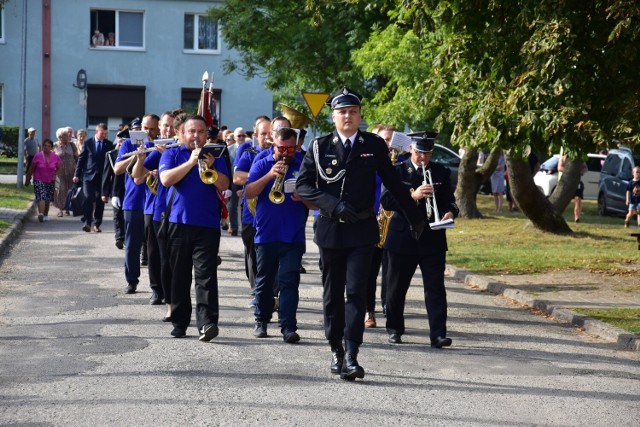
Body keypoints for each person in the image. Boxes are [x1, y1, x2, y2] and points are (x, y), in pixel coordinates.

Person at [296, 87, 424, 381]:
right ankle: (335, 348)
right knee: (332, 295)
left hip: (363, 231)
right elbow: (303, 185)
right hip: (330, 230)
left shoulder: (374, 145)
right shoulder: (319, 146)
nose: (348, 116)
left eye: (353, 111)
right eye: (342, 112)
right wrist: (333, 205)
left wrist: (415, 218)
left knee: (355, 292)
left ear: (360, 116)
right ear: (333, 116)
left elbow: (393, 183)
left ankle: (352, 353)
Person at [381, 132, 459, 348]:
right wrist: (412, 196)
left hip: (432, 239)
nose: (423, 158)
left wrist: (450, 213)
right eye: (419, 153)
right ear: (410, 150)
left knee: (435, 288)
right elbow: (386, 200)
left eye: (427, 153)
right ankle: (395, 328)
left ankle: (438, 334)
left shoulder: (441, 172)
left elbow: (450, 202)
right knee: (396, 288)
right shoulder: (396, 170)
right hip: (402, 237)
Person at [159, 114, 229, 340]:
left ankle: (207, 323)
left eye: (200, 132)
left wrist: (212, 168)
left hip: (208, 224)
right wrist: (191, 162)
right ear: (181, 134)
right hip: (178, 223)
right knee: (179, 275)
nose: (196, 136)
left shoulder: (216, 155)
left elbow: (225, 184)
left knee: (206, 275)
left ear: (206, 134)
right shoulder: (172, 153)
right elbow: (166, 179)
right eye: (191, 132)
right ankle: (179, 322)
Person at [245, 127, 314, 342]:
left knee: (289, 282)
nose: (285, 152)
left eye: (290, 148)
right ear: (273, 145)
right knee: (264, 281)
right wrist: (269, 176)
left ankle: (288, 327)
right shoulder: (262, 162)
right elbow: (248, 192)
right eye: (281, 148)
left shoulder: (303, 165)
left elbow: (315, 203)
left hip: (293, 236)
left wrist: (302, 198)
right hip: (266, 234)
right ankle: (261, 320)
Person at [113, 116, 155, 295]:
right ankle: (132, 280)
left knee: (155, 248)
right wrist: (136, 157)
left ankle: (158, 287)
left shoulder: (162, 144)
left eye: (151, 129)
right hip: (134, 201)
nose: (147, 132)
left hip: (155, 202)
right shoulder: (129, 144)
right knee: (132, 244)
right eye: (144, 128)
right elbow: (117, 169)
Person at [365, 124, 397, 328]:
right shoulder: (367, 163)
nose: (389, 144)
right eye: (385, 139)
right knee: (370, 272)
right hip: (372, 222)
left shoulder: (399, 164)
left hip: (396, 224)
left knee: (392, 272)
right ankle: (369, 310)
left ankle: (390, 308)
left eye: (392, 140)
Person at [73, 123, 114, 233]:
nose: (104, 136)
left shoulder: (109, 145)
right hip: (88, 177)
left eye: (105, 134)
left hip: (103, 178)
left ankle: (97, 224)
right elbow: (81, 160)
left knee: (100, 201)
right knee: (88, 198)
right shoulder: (88, 143)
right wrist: (76, 174)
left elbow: (111, 162)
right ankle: (87, 222)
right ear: (96, 132)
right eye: (102, 133)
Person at [24, 139, 61, 222]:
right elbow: (31, 168)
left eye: (48, 146)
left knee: (47, 199)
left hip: (50, 180)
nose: (46, 147)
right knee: (41, 196)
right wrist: (27, 179)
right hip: (38, 179)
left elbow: (59, 168)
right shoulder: (38, 156)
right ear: (42, 147)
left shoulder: (55, 157)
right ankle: (40, 214)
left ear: (51, 147)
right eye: (45, 146)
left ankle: (45, 214)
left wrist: (55, 175)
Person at [53, 127, 78, 217]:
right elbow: (51, 159)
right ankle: (60, 209)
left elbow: (77, 157)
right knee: (60, 190)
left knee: (70, 190)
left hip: (71, 171)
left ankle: (67, 208)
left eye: (68, 135)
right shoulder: (54, 146)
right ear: (60, 137)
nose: (68, 136)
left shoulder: (72, 145)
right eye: (66, 135)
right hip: (59, 172)